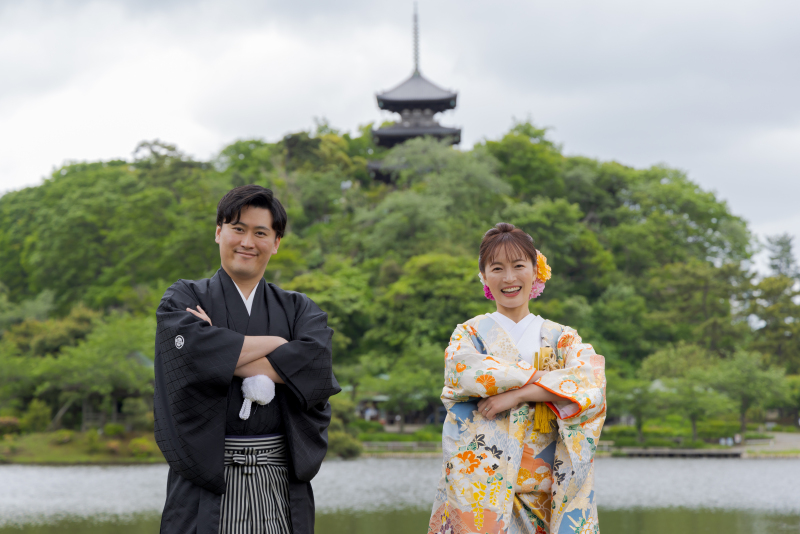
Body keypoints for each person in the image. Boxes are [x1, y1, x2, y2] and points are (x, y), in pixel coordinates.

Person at [153, 185, 340, 534]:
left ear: (277, 242)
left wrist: (217, 349)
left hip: (280, 476)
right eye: (238, 229)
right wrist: (279, 343)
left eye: (260, 233)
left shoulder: (300, 308)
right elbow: (188, 355)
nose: (247, 242)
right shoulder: (183, 296)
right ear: (218, 232)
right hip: (207, 477)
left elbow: (315, 366)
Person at [428, 223, 606, 534]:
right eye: (497, 268)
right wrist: (547, 382)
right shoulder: (470, 334)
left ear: (537, 271)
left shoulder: (561, 337)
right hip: (481, 490)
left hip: (546, 491)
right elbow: (464, 371)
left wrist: (518, 395)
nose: (509, 278)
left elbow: (590, 384)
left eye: (519, 266)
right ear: (484, 276)